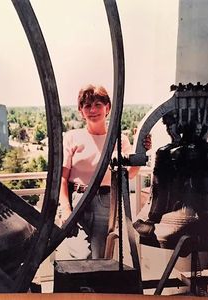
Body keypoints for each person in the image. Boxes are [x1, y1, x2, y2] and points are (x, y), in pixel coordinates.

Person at [59, 84, 151, 259]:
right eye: (87, 106)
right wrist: (65, 209)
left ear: (107, 108)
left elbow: (129, 174)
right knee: (80, 255)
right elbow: (62, 179)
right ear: (81, 110)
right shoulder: (72, 137)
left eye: (98, 105)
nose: (93, 110)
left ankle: (92, 287)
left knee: (99, 257)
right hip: (78, 200)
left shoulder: (119, 140)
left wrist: (142, 152)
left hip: (107, 201)